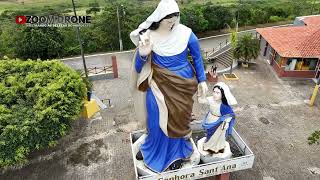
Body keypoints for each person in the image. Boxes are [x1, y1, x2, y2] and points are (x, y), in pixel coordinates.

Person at [129, 0, 208, 173]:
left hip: (183, 85)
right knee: (156, 120)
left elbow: (197, 58)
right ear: (159, 16)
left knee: (177, 119)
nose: (172, 22)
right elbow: (137, 68)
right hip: (158, 84)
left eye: (176, 17)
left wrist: (202, 80)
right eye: (168, 18)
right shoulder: (147, 36)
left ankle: (175, 154)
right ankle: (152, 150)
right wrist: (143, 55)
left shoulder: (186, 34)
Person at [200, 82, 237, 153]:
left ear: (222, 94)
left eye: (218, 93)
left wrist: (225, 123)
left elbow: (229, 115)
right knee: (209, 133)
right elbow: (201, 101)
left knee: (217, 137)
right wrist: (201, 93)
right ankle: (208, 145)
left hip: (219, 123)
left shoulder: (224, 105)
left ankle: (216, 148)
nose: (215, 94)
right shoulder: (211, 99)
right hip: (210, 119)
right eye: (214, 92)